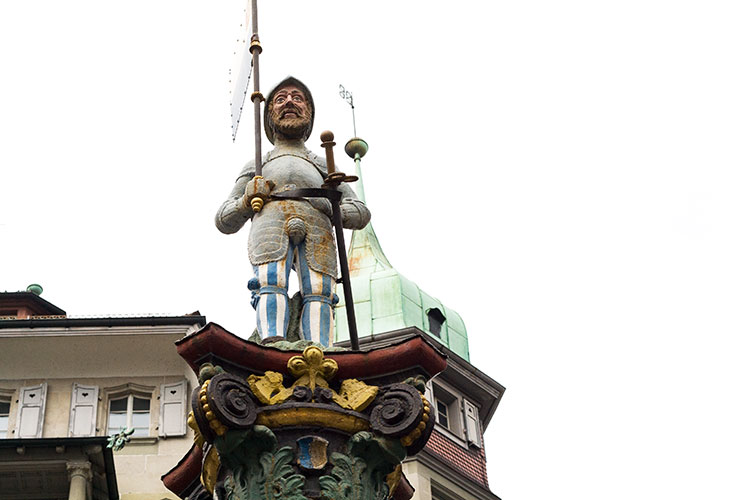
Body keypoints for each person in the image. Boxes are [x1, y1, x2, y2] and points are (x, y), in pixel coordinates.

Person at [215, 77, 370, 346]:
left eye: (298, 98)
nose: (289, 102)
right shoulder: (259, 163)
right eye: (280, 98)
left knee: (319, 289)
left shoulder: (322, 163)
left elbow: (360, 212)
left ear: (309, 114)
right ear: (269, 115)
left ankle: (319, 347)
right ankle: (271, 340)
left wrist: (332, 207)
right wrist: (246, 201)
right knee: (270, 280)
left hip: (317, 226)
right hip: (271, 224)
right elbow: (223, 219)